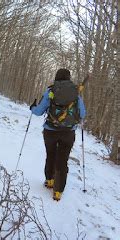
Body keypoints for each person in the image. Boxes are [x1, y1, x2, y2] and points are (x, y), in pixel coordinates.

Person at [30, 68, 86, 201]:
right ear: (69, 78)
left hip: (50, 131)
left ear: (56, 77)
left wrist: (32, 107)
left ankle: (49, 180)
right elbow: (82, 114)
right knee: (62, 160)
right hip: (68, 133)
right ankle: (58, 191)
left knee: (50, 155)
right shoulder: (76, 93)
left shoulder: (51, 91)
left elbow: (38, 112)